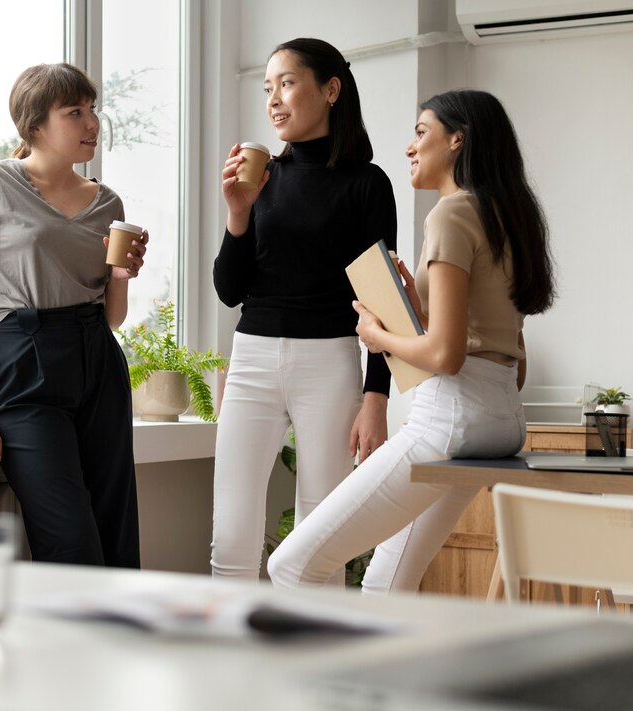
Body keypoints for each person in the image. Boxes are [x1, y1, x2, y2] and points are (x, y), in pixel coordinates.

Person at [267, 89, 556, 593]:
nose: (410, 147)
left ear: (457, 140)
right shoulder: (511, 219)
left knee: (289, 566)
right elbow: (506, 354)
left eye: (422, 132)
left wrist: (377, 335)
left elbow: (446, 356)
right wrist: (413, 310)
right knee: (386, 584)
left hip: (450, 422)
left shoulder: (450, 214)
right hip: (502, 424)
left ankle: (312, 674)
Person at [0, 63, 148, 567]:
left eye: (93, 109)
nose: (92, 123)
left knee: (116, 535)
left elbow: (111, 317)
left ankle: (111, 647)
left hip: (97, 360)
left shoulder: (107, 202)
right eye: (75, 112)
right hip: (21, 364)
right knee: (70, 542)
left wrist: (122, 277)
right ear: (34, 126)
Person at [211, 38, 397, 582]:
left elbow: (382, 303)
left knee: (319, 542)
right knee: (231, 535)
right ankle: (228, 660)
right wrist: (237, 215)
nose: (274, 99)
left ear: (331, 90)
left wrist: (376, 397)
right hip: (252, 359)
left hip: (332, 363)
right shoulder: (261, 179)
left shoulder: (368, 184)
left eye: (287, 83)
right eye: (268, 88)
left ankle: (306, 661)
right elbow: (229, 290)